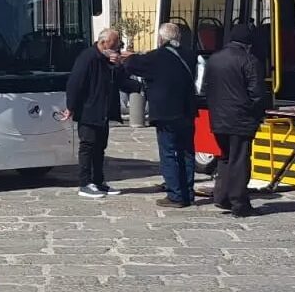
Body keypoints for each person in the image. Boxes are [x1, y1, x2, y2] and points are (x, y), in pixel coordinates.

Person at [124, 22, 199, 207]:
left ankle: (176, 195)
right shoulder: (190, 55)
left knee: (169, 153)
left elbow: (133, 65)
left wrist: (128, 56)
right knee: (187, 153)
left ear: (161, 39)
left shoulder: (157, 57)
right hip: (187, 111)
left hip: (167, 114)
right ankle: (188, 192)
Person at [62, 28, 140, 199]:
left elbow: (120, 81)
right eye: (114, 45)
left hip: (104, 111)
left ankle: (98, 181)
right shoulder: (88, 58)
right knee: (88, 146)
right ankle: (85, 183)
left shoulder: (109, 60)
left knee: (100, 148)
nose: (116, 48)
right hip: (89, 110)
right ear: (103, 43)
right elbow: (75, 83)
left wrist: (121, 68)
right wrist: (71, 107)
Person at [205, 21, 268, 216]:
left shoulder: (214, 59)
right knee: (239, 160)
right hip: (241, 119)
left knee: (224, 158)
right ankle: (239, 203)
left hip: (218, 118)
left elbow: (207, 87)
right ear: (248, 43)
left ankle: (222, 197)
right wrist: (257, 113)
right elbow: (257, 93)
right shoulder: (249, 61)